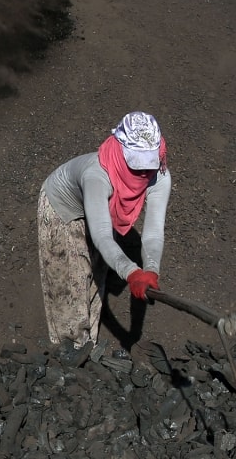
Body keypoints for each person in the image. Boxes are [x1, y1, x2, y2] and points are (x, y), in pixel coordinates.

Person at [37, 111, 171, 348]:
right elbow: (101, 234)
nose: (142, 173)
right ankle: (69, 350)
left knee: (96, 275)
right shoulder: (97, 175)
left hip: (98, 210)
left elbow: (152, 232)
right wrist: (131, 272)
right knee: (70, 281)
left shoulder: (159, 175)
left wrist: (150, 270)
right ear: (120, 150)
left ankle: (89, 345)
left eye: (147, 165)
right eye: (136, 165)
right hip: (62, 208)